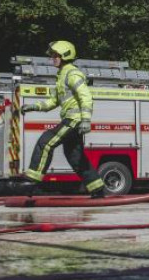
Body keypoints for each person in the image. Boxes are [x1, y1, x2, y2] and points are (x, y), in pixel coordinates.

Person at [19, 41, 105, 198]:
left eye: (55, 55)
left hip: (74, 119)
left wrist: (86, 120)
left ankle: (31, 182)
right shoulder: (62, 75)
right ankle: (97, 188)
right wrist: (34, 106)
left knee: (46, 142)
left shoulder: (72, 74)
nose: (52, 58)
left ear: (65, 55)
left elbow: (86, 96)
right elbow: (53, 101)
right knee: (75, 156)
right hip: (71, 119)